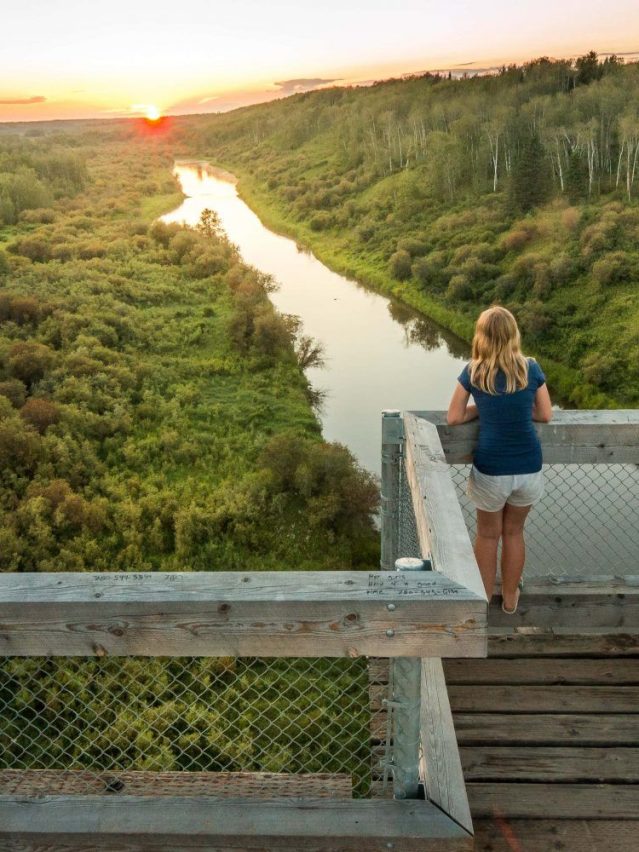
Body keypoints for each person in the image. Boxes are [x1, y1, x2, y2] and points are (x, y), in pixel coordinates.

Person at [446, 306, 553, 614]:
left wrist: (481, 409)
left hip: (492, 469)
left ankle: (481, 602)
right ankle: (509, 599)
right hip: (528, 468)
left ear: (482, 336)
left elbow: (453, 417)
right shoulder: (530, 368)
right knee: (514, 533)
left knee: (488, 534)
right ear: (513, 334)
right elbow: (545, 414)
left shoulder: (475, 370)